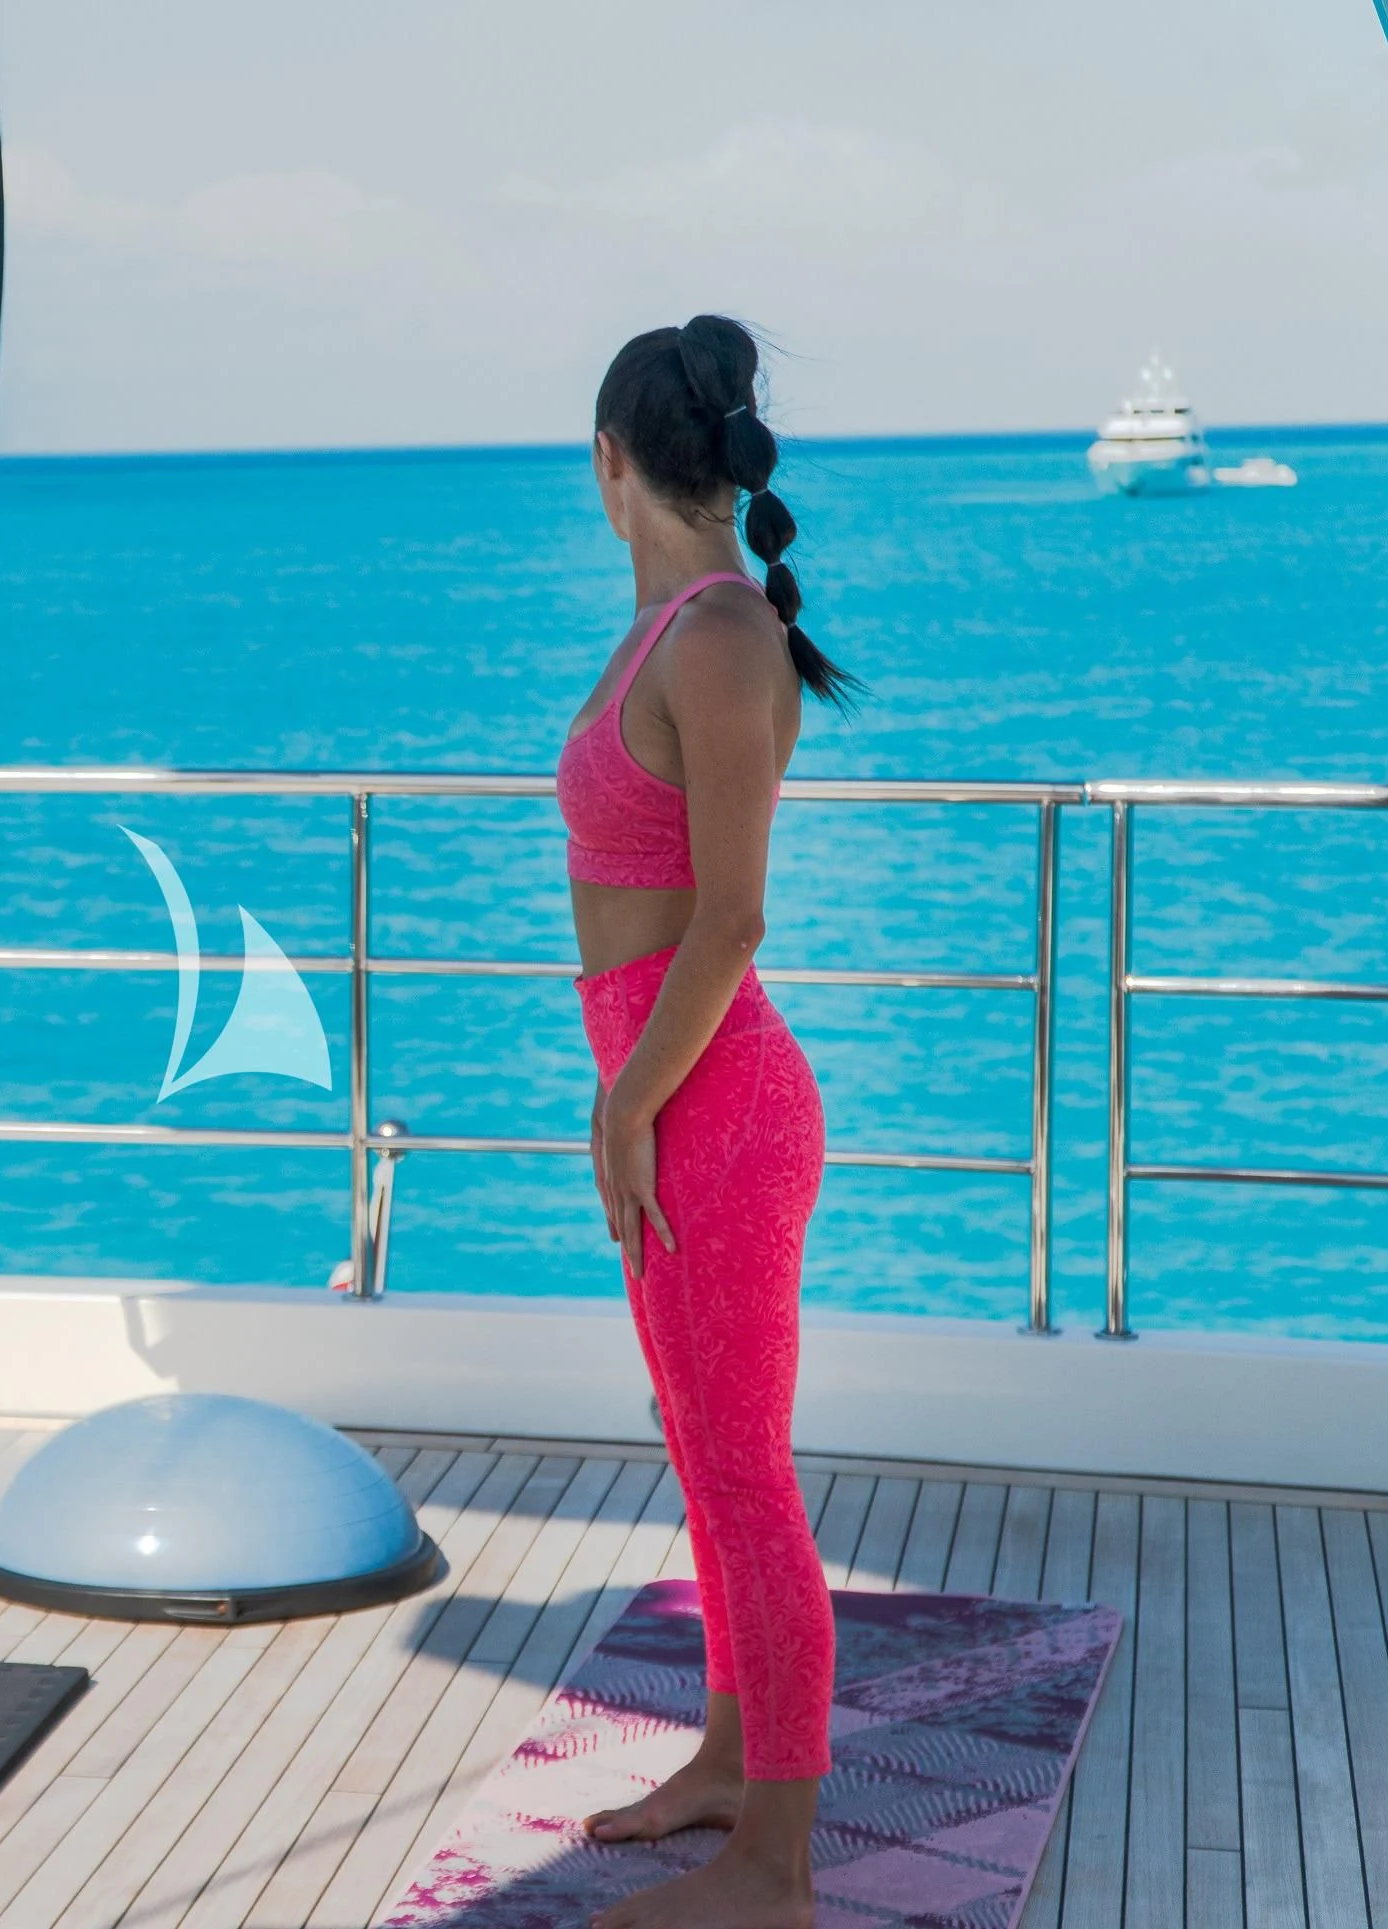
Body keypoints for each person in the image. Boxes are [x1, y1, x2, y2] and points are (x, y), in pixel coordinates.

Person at [558, 314, 858, 1929]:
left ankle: (778, 1869)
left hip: (711, 1098)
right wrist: (628, 1101)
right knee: (703, 1447)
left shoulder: (722, 639)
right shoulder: (663, 630)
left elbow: (728, 923)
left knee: (742, 1471)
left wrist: (628, 1103)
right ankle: (734, 1764)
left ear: (614, 463)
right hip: (670, 1090)